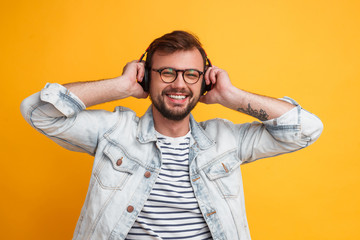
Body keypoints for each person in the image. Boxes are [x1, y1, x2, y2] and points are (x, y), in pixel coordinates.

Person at [21, 30, 323, 240]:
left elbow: (306, 129)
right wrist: (121, 85)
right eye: (167, 73)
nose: (179, 84)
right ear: (145, 76)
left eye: (190, 74)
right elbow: (37, 111)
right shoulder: (114, 133)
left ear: (204, 81)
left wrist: (231, 95)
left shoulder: (226, 140)